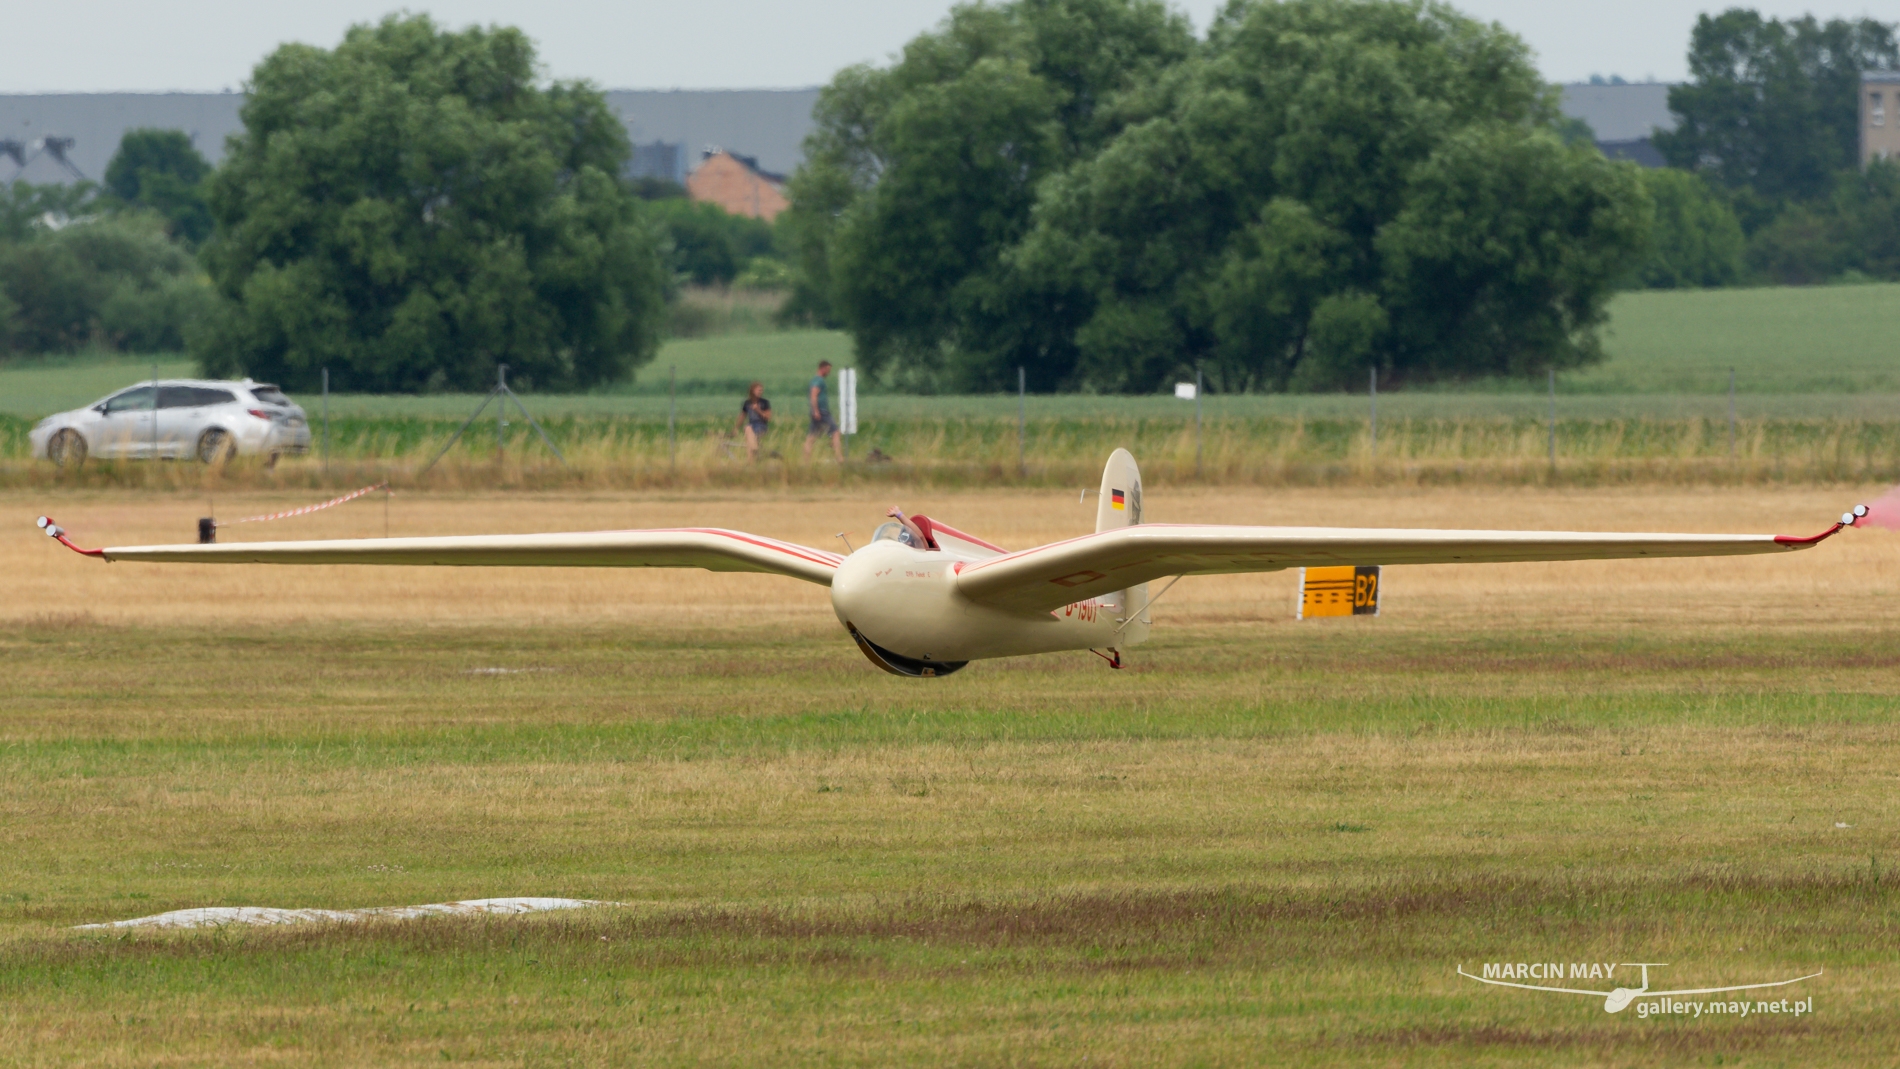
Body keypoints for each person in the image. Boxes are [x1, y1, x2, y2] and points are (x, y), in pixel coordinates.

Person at [803, 360, 844, 461]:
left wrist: (814, 411)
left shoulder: (814, 380)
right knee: (835, 432)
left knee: (811, 437)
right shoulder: (819, 381)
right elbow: (813, 395)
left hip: (818, 412)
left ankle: (805, 461)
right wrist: (816, 411)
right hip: (822, 412)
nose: (829, 372)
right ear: (823, 368)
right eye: (828, 370)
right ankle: (839, 458)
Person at [738, 382, 771, 460]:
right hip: (751, 426)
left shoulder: (764, 402)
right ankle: (753, 457)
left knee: (748, 430)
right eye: (758, 390)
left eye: (761, 390)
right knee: (748, 429)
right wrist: (736, 428)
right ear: (753, 391)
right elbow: (742, 416)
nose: (760, 392)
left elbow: (768, 417)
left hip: (761, 426)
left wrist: (758, 410)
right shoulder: (747, 403)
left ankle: (753, 452)